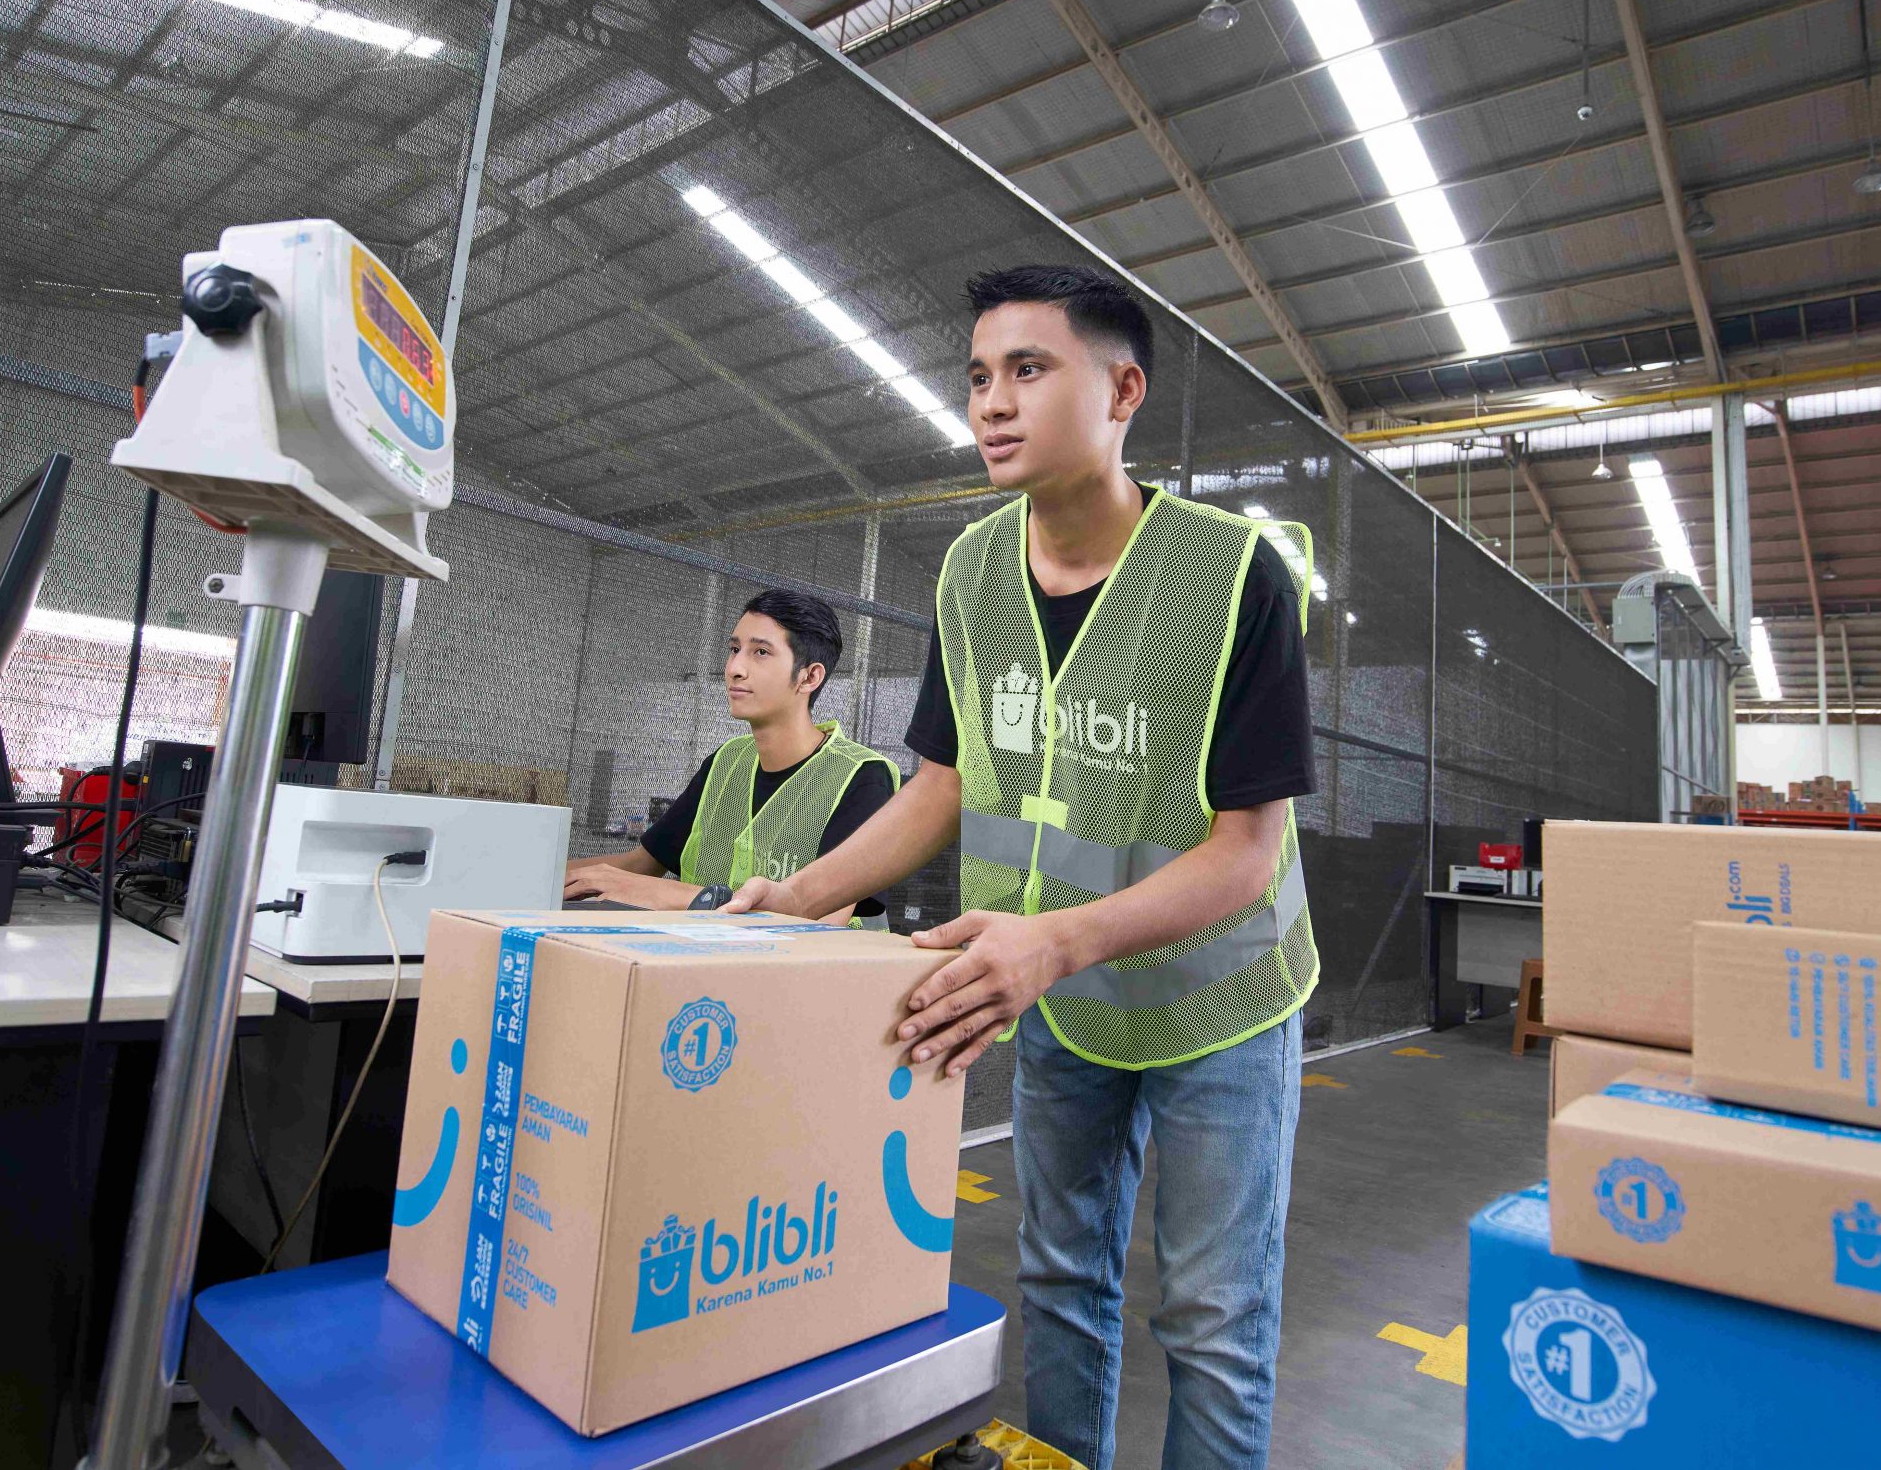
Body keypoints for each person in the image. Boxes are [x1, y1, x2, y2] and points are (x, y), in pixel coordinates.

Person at [725, 263, 1317, 1470]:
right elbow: (940, 787)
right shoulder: (969, 572)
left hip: (1219, 1005)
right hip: (1055, 1002)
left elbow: (1245, 853)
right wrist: (795, 898)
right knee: (1059, 1281)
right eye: (979, 377)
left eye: (1029, 370)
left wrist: (1051, 942)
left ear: (1122, 391)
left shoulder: (1231, 574)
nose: (992, 403)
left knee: (1212, 1319)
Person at [562, 589, 897, 925]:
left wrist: (683, 896)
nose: (735, 668)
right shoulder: (725, 762)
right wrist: (541, 873)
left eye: (761, 652)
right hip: (697, 952)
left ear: (809, 677)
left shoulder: (861, 777)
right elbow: (640, 865)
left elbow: (825, 923)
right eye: (735, 649)